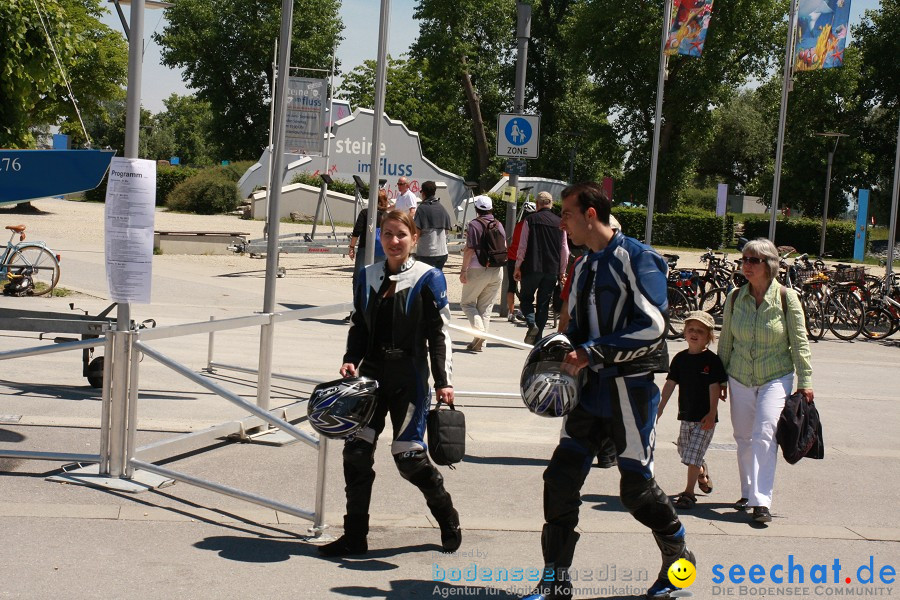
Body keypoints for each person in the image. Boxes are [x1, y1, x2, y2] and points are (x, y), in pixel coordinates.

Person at [524, 181, 693, 600]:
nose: (561, 222)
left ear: (591, 215)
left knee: (636, 490)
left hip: (630, 391)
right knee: (560, 480)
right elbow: (577, 329)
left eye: (566, 214)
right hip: (588, 391)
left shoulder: (638, 257)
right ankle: (554, 584)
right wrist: (557, 351)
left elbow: (653, 326)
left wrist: (592, 350)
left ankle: (680, 563)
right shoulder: (582, 265)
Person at [319, 210, 461, 557]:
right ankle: (355, 536)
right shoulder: (366, 275)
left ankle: (446, 516)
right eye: (387, 234)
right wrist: (350, 358)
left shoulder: (429, 277)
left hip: (409, 376)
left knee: (409, 457)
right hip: (370, 375)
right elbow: (359, 325)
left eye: (400, 234)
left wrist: (443, 381)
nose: (393, 241)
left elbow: (439, 334)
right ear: (379, 237)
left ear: (414, 239)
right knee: (355, 452)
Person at [718, 237, 813, 524]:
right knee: (743, 436)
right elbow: (726, 341)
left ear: (769, 265)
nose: (746, 265)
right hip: (739, 376)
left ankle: (762, 500)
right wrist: (720, 378)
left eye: (753, 260)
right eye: (744, 259)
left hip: (775, 376)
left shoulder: (787, 297)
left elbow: (799, 342)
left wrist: (805, 379)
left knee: (764, 434)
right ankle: (747, 491)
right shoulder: (735, 297)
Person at [657, 311, 727, 510]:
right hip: (686, 415)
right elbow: (670, 384)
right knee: (685, 452)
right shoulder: (680, 359)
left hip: (705, 418)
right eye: (690, 330)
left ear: (709, 337)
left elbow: (714, 387)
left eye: (700, 331)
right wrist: (660, 408)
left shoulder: (711, 361)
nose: (694, 334)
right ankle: (702, 471)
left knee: (693, 454)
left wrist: (712, 413)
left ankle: (689, 493)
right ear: (684, 332)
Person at [514, 191, 569, 345]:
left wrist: (517, 266)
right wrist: (562, 271)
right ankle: (538, 338)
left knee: (525, 299)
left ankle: (532, 324)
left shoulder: (530, 220)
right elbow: (564, 249)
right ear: (551, 204)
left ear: (537, 204)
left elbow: (522, 245)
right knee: (543, 304)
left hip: (531, 266)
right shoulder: (560, 222)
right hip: (552, 269)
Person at [459, 195, 506, 352]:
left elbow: (470, 249)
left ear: (476, 209)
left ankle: (479, 334)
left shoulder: (474, 224)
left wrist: (463, 270)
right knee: (485, 308)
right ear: (491, 208)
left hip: (478, 268)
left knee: (467, 303)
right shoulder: (498, 224)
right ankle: (480, 343)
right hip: (497, 269)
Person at [348, 189, 390, 282]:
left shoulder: (365, 213)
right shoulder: (387, 216)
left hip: (365, 248)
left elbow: (357, 231)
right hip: (382, 250)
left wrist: (351, 247)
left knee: (359, 277)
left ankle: (359, 296)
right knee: (379, 278)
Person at [505, 201, 536, 322]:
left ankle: (510, 313)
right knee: (526, 287)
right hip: (525, 260)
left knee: (511, 287)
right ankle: (523, 311)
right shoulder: (532, 226)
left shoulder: (518, 225)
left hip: (512, 257)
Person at [414, 180, 453, 271]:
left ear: (423, 193)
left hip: (426, 253)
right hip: (442, 253)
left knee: (424, 280)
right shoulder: (442, 208)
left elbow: (417, 231)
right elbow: (447, 231)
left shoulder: (422, 208)